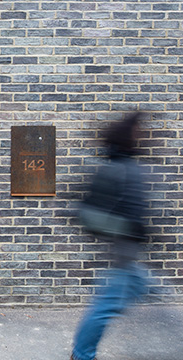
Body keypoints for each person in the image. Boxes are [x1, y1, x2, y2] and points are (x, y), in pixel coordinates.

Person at [71, 112, 148, 360]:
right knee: (103, 308)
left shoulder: (125, 165)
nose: (144, 134)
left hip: (127, 253)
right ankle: (82, 356)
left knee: (145, 287)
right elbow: (125, 212)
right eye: (140, 130)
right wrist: (134, 229)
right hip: (123, 252)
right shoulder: (122, 169)